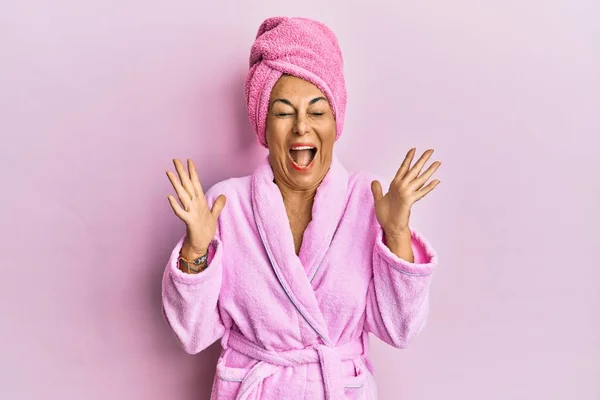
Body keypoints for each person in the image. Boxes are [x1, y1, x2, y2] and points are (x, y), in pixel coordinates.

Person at [162, 16, 441, 400]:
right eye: (283, 112)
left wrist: (395, 236)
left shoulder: (369, 201)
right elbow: (193, 335)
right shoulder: (226, 205)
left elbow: (399, 330)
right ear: (263, 124)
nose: (301, 128)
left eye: (317, 111)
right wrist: (195, 252)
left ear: (334, 121)